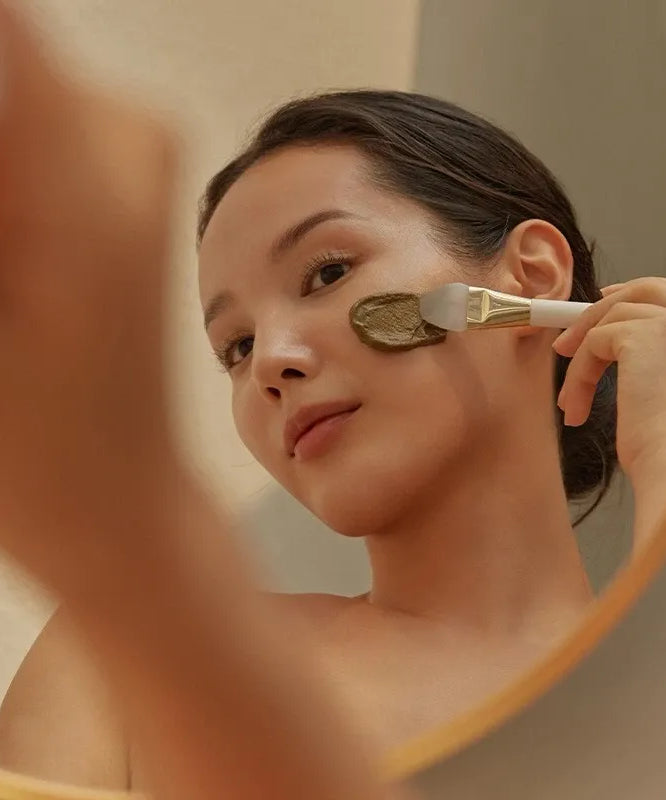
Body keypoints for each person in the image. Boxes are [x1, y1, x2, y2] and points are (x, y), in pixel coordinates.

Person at [1, 1, 666, 796]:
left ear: (528, 277)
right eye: (235, 349)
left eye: (327, 272)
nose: (272, 362)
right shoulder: (120, 663)